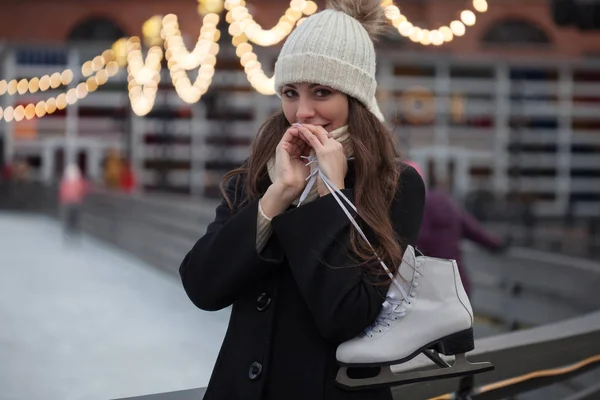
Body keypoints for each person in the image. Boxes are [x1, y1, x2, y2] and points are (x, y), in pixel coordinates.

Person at [179, 1, 426, 399]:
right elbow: (202, 286)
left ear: (355, 98)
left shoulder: (394, 184)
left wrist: (330, 196)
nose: (303, 112)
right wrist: (276, 198)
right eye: (291, 92)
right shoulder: (259, 173)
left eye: (322, 92)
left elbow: (345, 317)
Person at [406, 161, 509, 298]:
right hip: (456, 284)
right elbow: (474, 230)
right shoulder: (449, 203)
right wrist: (497, 244)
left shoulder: (412, 212)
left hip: (427, 288)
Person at [59, 163, 88, 240]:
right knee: (72, 219)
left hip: (73, 202)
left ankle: (71, 232)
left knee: (72, 219)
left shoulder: (75, 181)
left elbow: (83, 190)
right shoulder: (75, 181)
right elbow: (83, 190)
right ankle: (71, 232)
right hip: (73, 202)